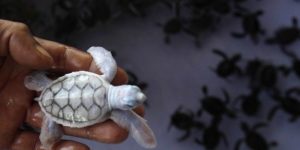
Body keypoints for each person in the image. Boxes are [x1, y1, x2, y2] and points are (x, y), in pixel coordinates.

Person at [0, 19, 144, 150]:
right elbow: (133, 121)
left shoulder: (108, 76)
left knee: (49, 131)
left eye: (133, 101)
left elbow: (100, 53)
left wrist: (95, 51)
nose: (141, 95)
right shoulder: (115, 112)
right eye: (135, 90)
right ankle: (49, 131)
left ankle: (49, 131)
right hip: (57, 106)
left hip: (53, 88)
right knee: (49, 133)